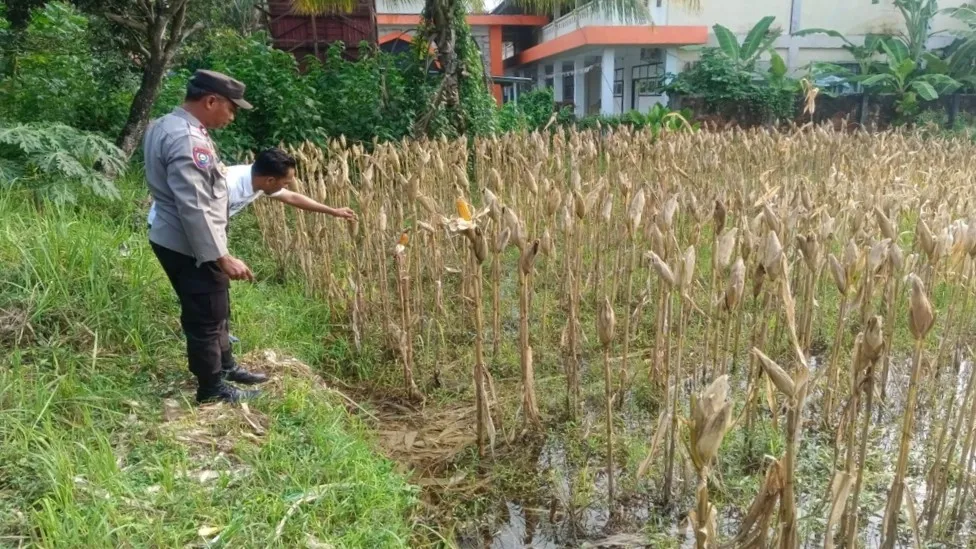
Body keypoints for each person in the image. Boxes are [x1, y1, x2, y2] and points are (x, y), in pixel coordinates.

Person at [144, 69, 264, 404]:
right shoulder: (188, 139)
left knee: (217, 307)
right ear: (211, 100)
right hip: (191, 245)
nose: (233, 115)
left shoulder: (166, 124)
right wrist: (220, 256)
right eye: (231, 108)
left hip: (179, 238)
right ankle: (212, 389)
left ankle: (225, 366)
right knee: (206, 316)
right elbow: (194, 205)